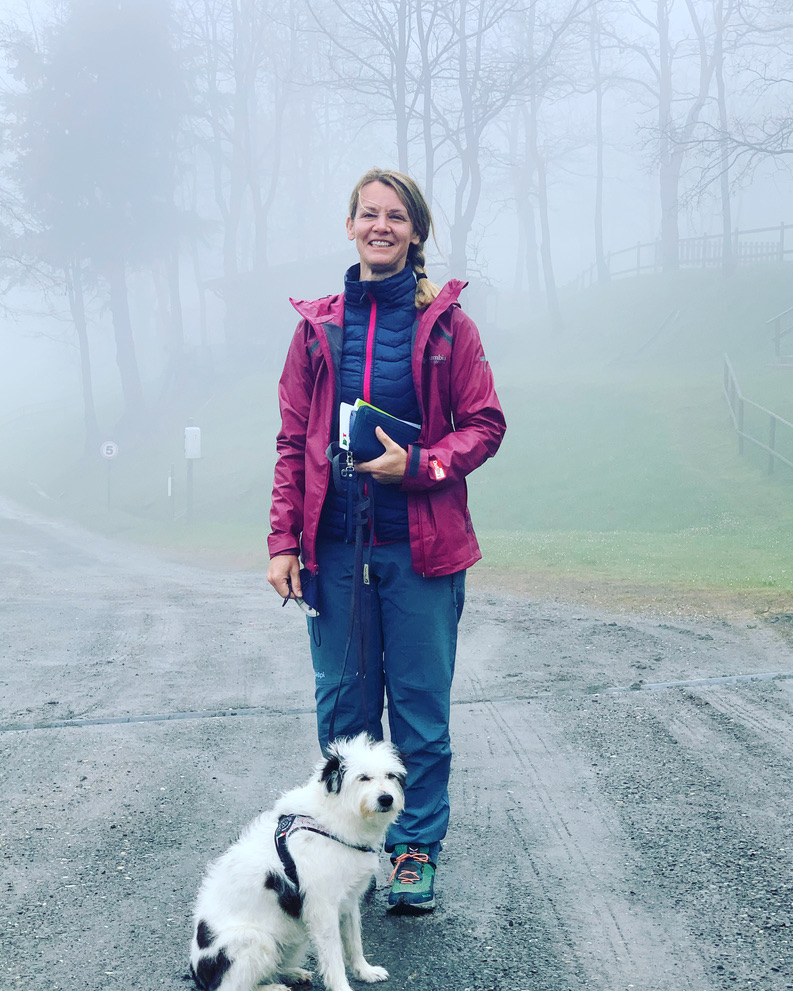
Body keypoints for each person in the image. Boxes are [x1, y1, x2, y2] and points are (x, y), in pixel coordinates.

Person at [266, 167, 506, 913]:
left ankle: (412, 856)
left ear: (414, 230)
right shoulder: (317, 329)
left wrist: (421, 463)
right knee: (343, 717)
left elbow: (485, 424)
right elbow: (288, 443)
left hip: (421, 551)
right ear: (350, 226)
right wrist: (282, 540)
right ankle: (340, 859)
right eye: (368, 214)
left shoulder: (449, 328)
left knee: (419, 716)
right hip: (333, 551)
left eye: (394, 216)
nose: (380, 226)